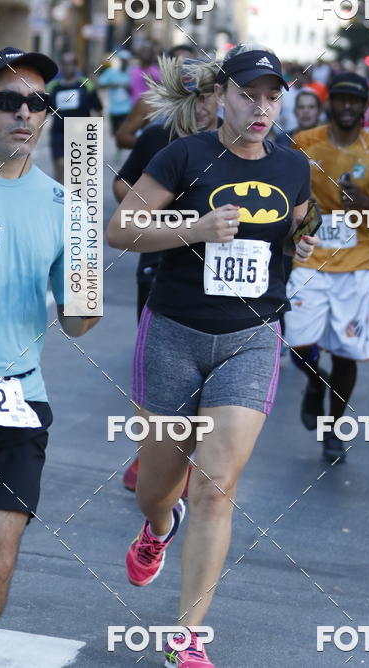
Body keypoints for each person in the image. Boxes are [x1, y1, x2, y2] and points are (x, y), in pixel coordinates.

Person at [106, 43, 316, 667]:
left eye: (272, 96)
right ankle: (157, 528)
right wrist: (193, 230)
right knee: (157, 487)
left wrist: (302, 246)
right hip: (174, 331)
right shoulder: (184, 155)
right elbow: (122, 230)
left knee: (216, 488)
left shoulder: (292, 166)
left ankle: (187, 638)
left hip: (251, 338)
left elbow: (299, 224)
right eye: (248, 94)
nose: (261, 107)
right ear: (220, 96)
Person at [0, 47, 101, 660]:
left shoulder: (66, 207)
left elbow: (78, 322)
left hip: (14, 399)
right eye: (7, 101)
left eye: (37, 103)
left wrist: (86, 283)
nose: (25, 113)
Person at [284, 72, 369, 463]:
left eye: (355, 101)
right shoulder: (304, 143)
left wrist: (368, 203)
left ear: (366, 106)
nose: (348, 107)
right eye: (341, 100)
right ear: (329, 103)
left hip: (356, 263)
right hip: (309, 256)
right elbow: (283, 192)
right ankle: (316, 385)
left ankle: (333, 429)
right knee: (297, 344)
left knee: (346, 353)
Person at [113, 56, 220, 493]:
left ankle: (185, 458)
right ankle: (147, 456)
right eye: (192, 98)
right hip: (158, 262)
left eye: (207, 97)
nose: (200, 107)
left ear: (220, 98)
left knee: (206, 380)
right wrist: (157, 202)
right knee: (159, 371)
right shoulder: (160, 135)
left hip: (213, 271)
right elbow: (123, 186)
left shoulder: (229, 144)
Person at [47, 51, 102, 184]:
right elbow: (44, 112)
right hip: (59, 133)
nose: (67, 67)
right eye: (64, 64)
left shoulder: (86, 85)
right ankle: (61, 200)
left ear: (76, 66)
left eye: (70, 64)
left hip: (81, 134)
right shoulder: (53, 87)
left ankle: (78, 201)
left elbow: (98, 110)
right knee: (60, 166)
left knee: (78, 173)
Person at [98, 50, 132, 139]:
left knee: (123, 132)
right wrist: (112, 85)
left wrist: (128, 88)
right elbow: (100, 84)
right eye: (122, 60)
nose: (124, 63)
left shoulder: (131, 72)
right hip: (113, 109)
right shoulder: (111, 72)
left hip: (127, 109)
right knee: (115, 134)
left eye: (126, 61)